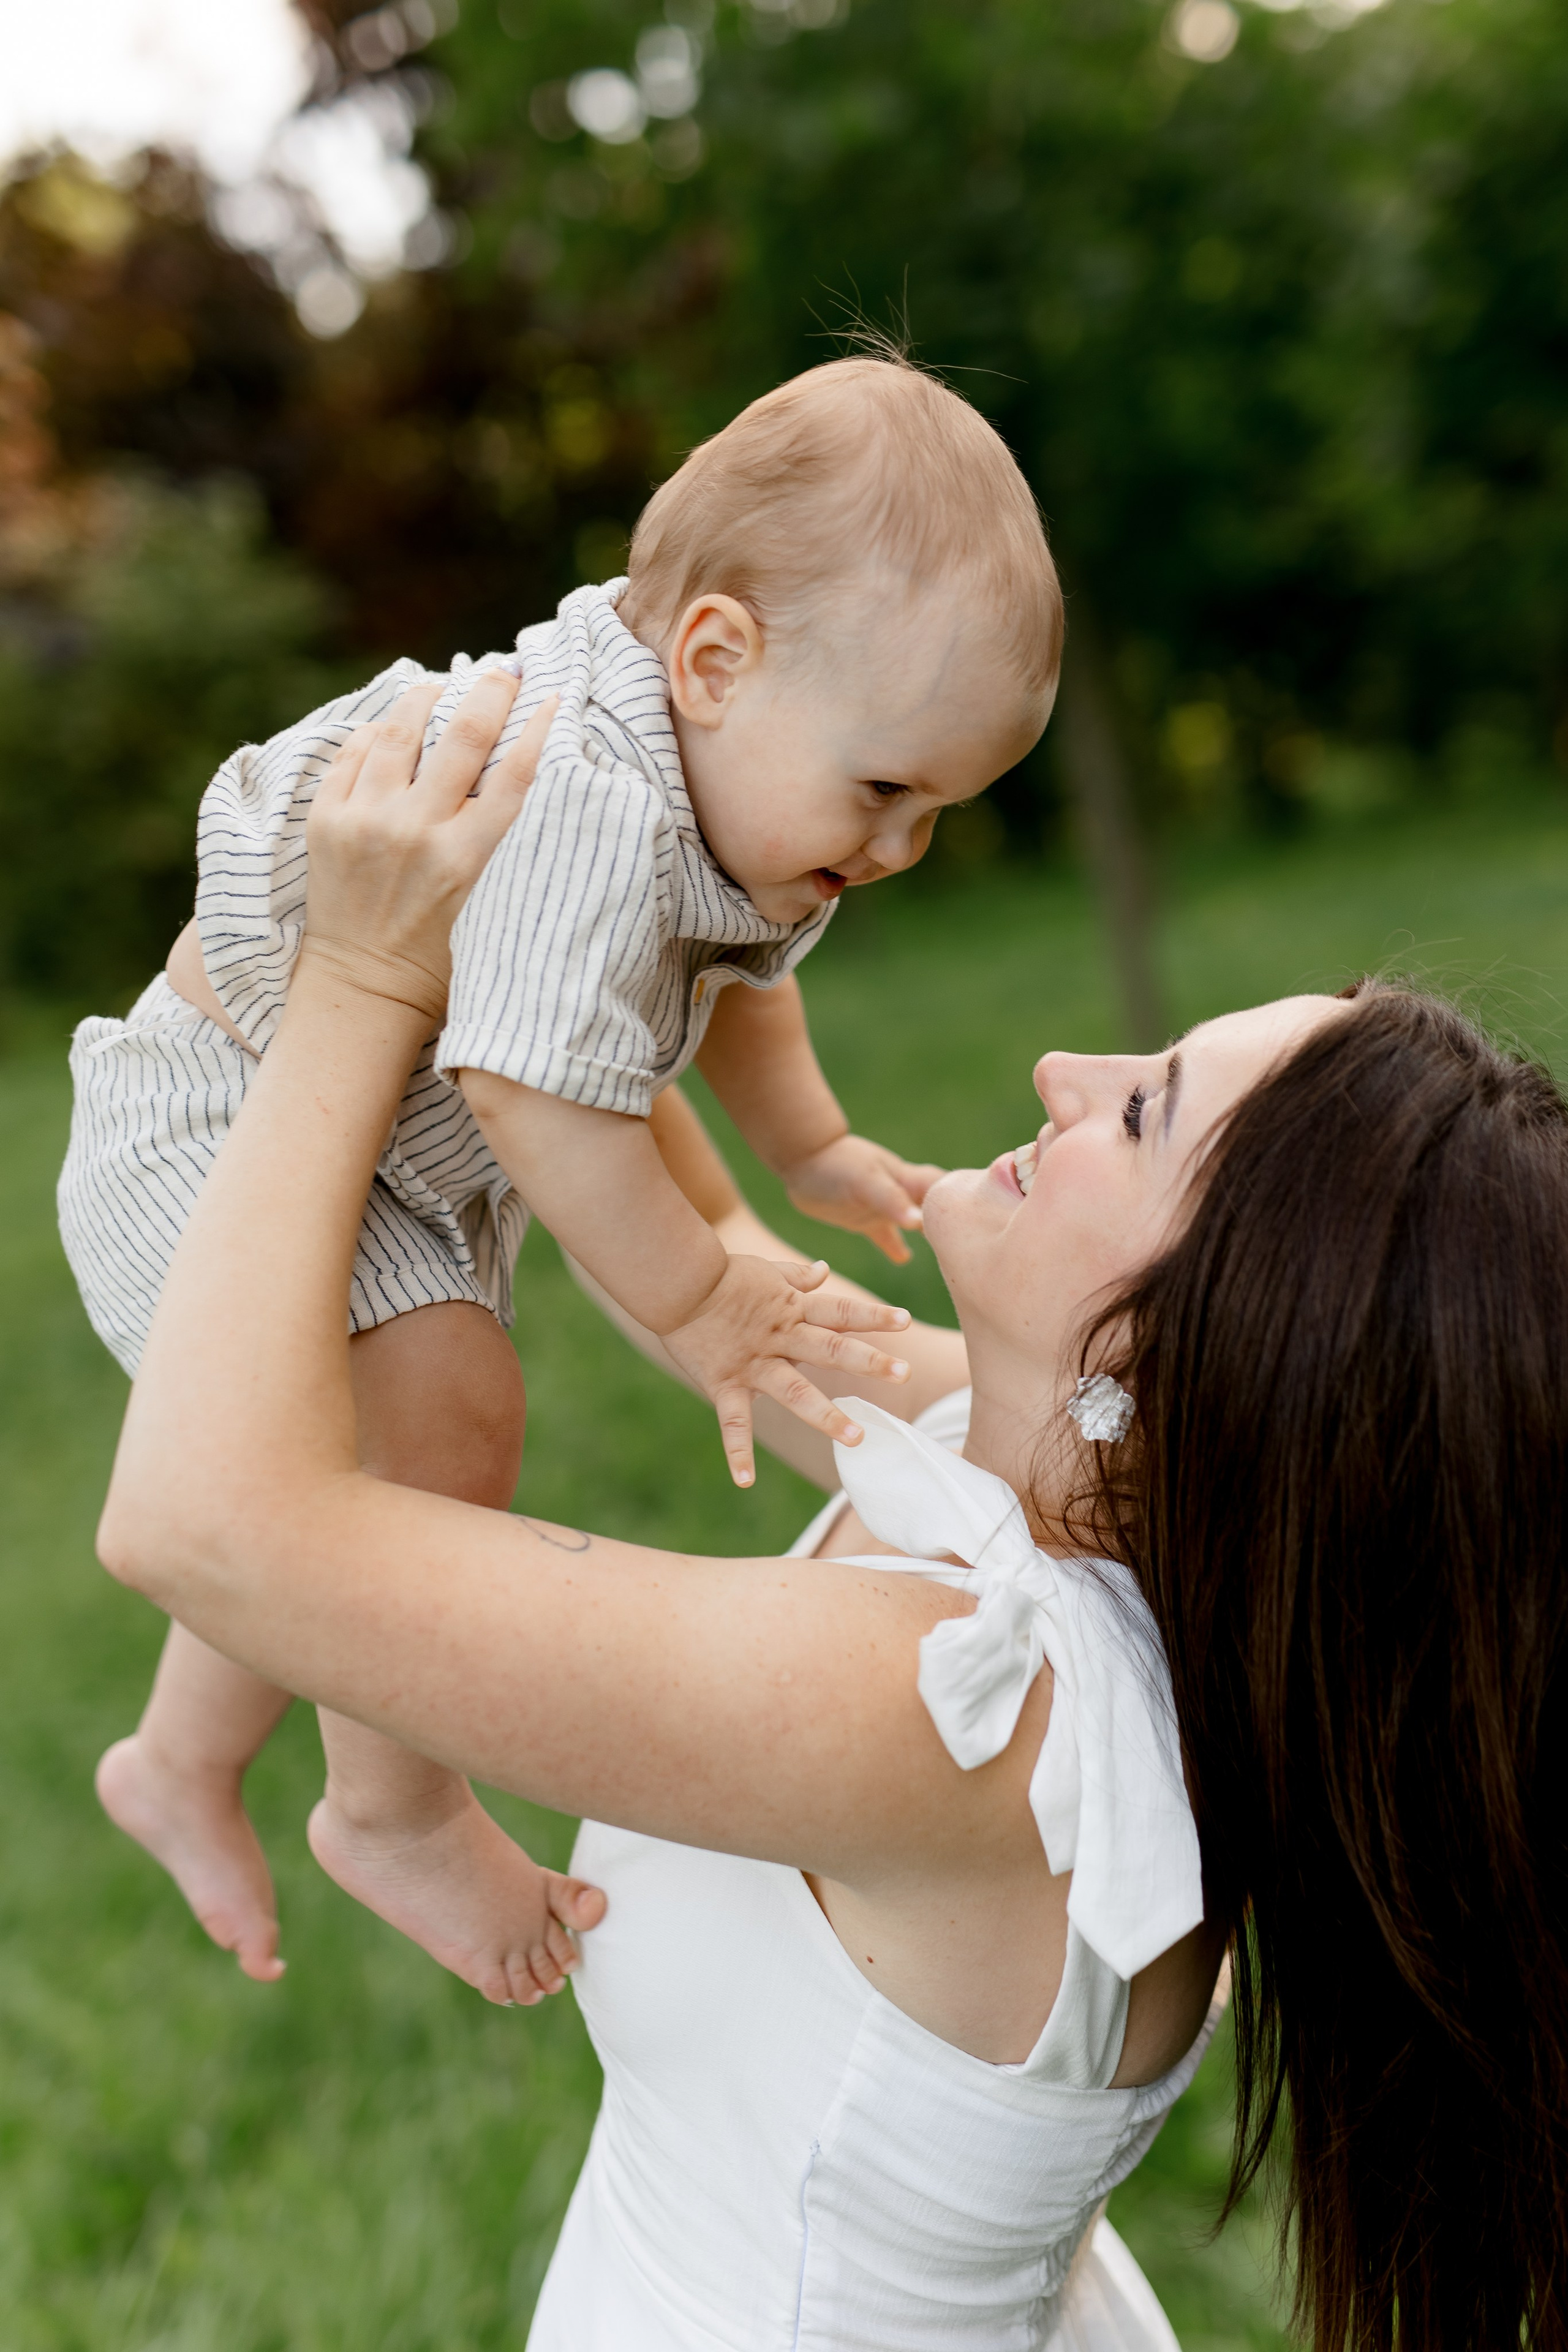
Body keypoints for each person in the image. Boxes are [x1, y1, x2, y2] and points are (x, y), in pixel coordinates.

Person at [97, 679, 1568, 2348]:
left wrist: (357, 988)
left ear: (1213, 1342)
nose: (1063, 1068)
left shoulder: (960, 1712)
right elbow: (696, 1263)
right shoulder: (1063, 1490)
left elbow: (204, 1527)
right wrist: (564, 909)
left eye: (1142, 1108)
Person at [56, 353, 1060, 2000]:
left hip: (392, 1138)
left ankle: (175, 1760)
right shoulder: (589, 789)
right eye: (887, 791)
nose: (894, 849)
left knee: (348, 1448)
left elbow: (736, 976)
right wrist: (698, 1294)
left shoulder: (741, 778)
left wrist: (802, 1144)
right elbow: (535, 1088)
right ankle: (392, 1812)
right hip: (220, 1113)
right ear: (714, 658)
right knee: (442, 1418)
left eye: (935, 812)